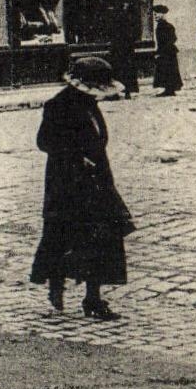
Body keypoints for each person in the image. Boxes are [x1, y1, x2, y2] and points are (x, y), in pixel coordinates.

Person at [30, 55, 135, 321]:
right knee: (63, 236)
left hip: (96, 182)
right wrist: (76, 157)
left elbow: (97, 140)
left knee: (105, 236)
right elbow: (45, 142)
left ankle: (93, 298)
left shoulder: (89, 104)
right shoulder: (58, 105)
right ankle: (57, 286)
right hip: (68, 184)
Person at [107, 2, 139, 98]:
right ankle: (127, 92)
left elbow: (114, 35)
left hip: (119, 50)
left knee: (117, 70)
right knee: (127, 71)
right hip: (127, 50)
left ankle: (115, 93)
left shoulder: (118, 19)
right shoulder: (132, 20)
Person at [152, 5, 183, 97]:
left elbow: (173, 39)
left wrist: (162, 51)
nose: (155, 16)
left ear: (162, 14)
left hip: (168, 52)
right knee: (166, 71)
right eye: (154, 14)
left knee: (169, 70)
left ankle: (170, 90)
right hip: (166, 51)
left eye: (156, 14)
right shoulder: (160, 26)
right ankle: (168, 89)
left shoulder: (167, 26)